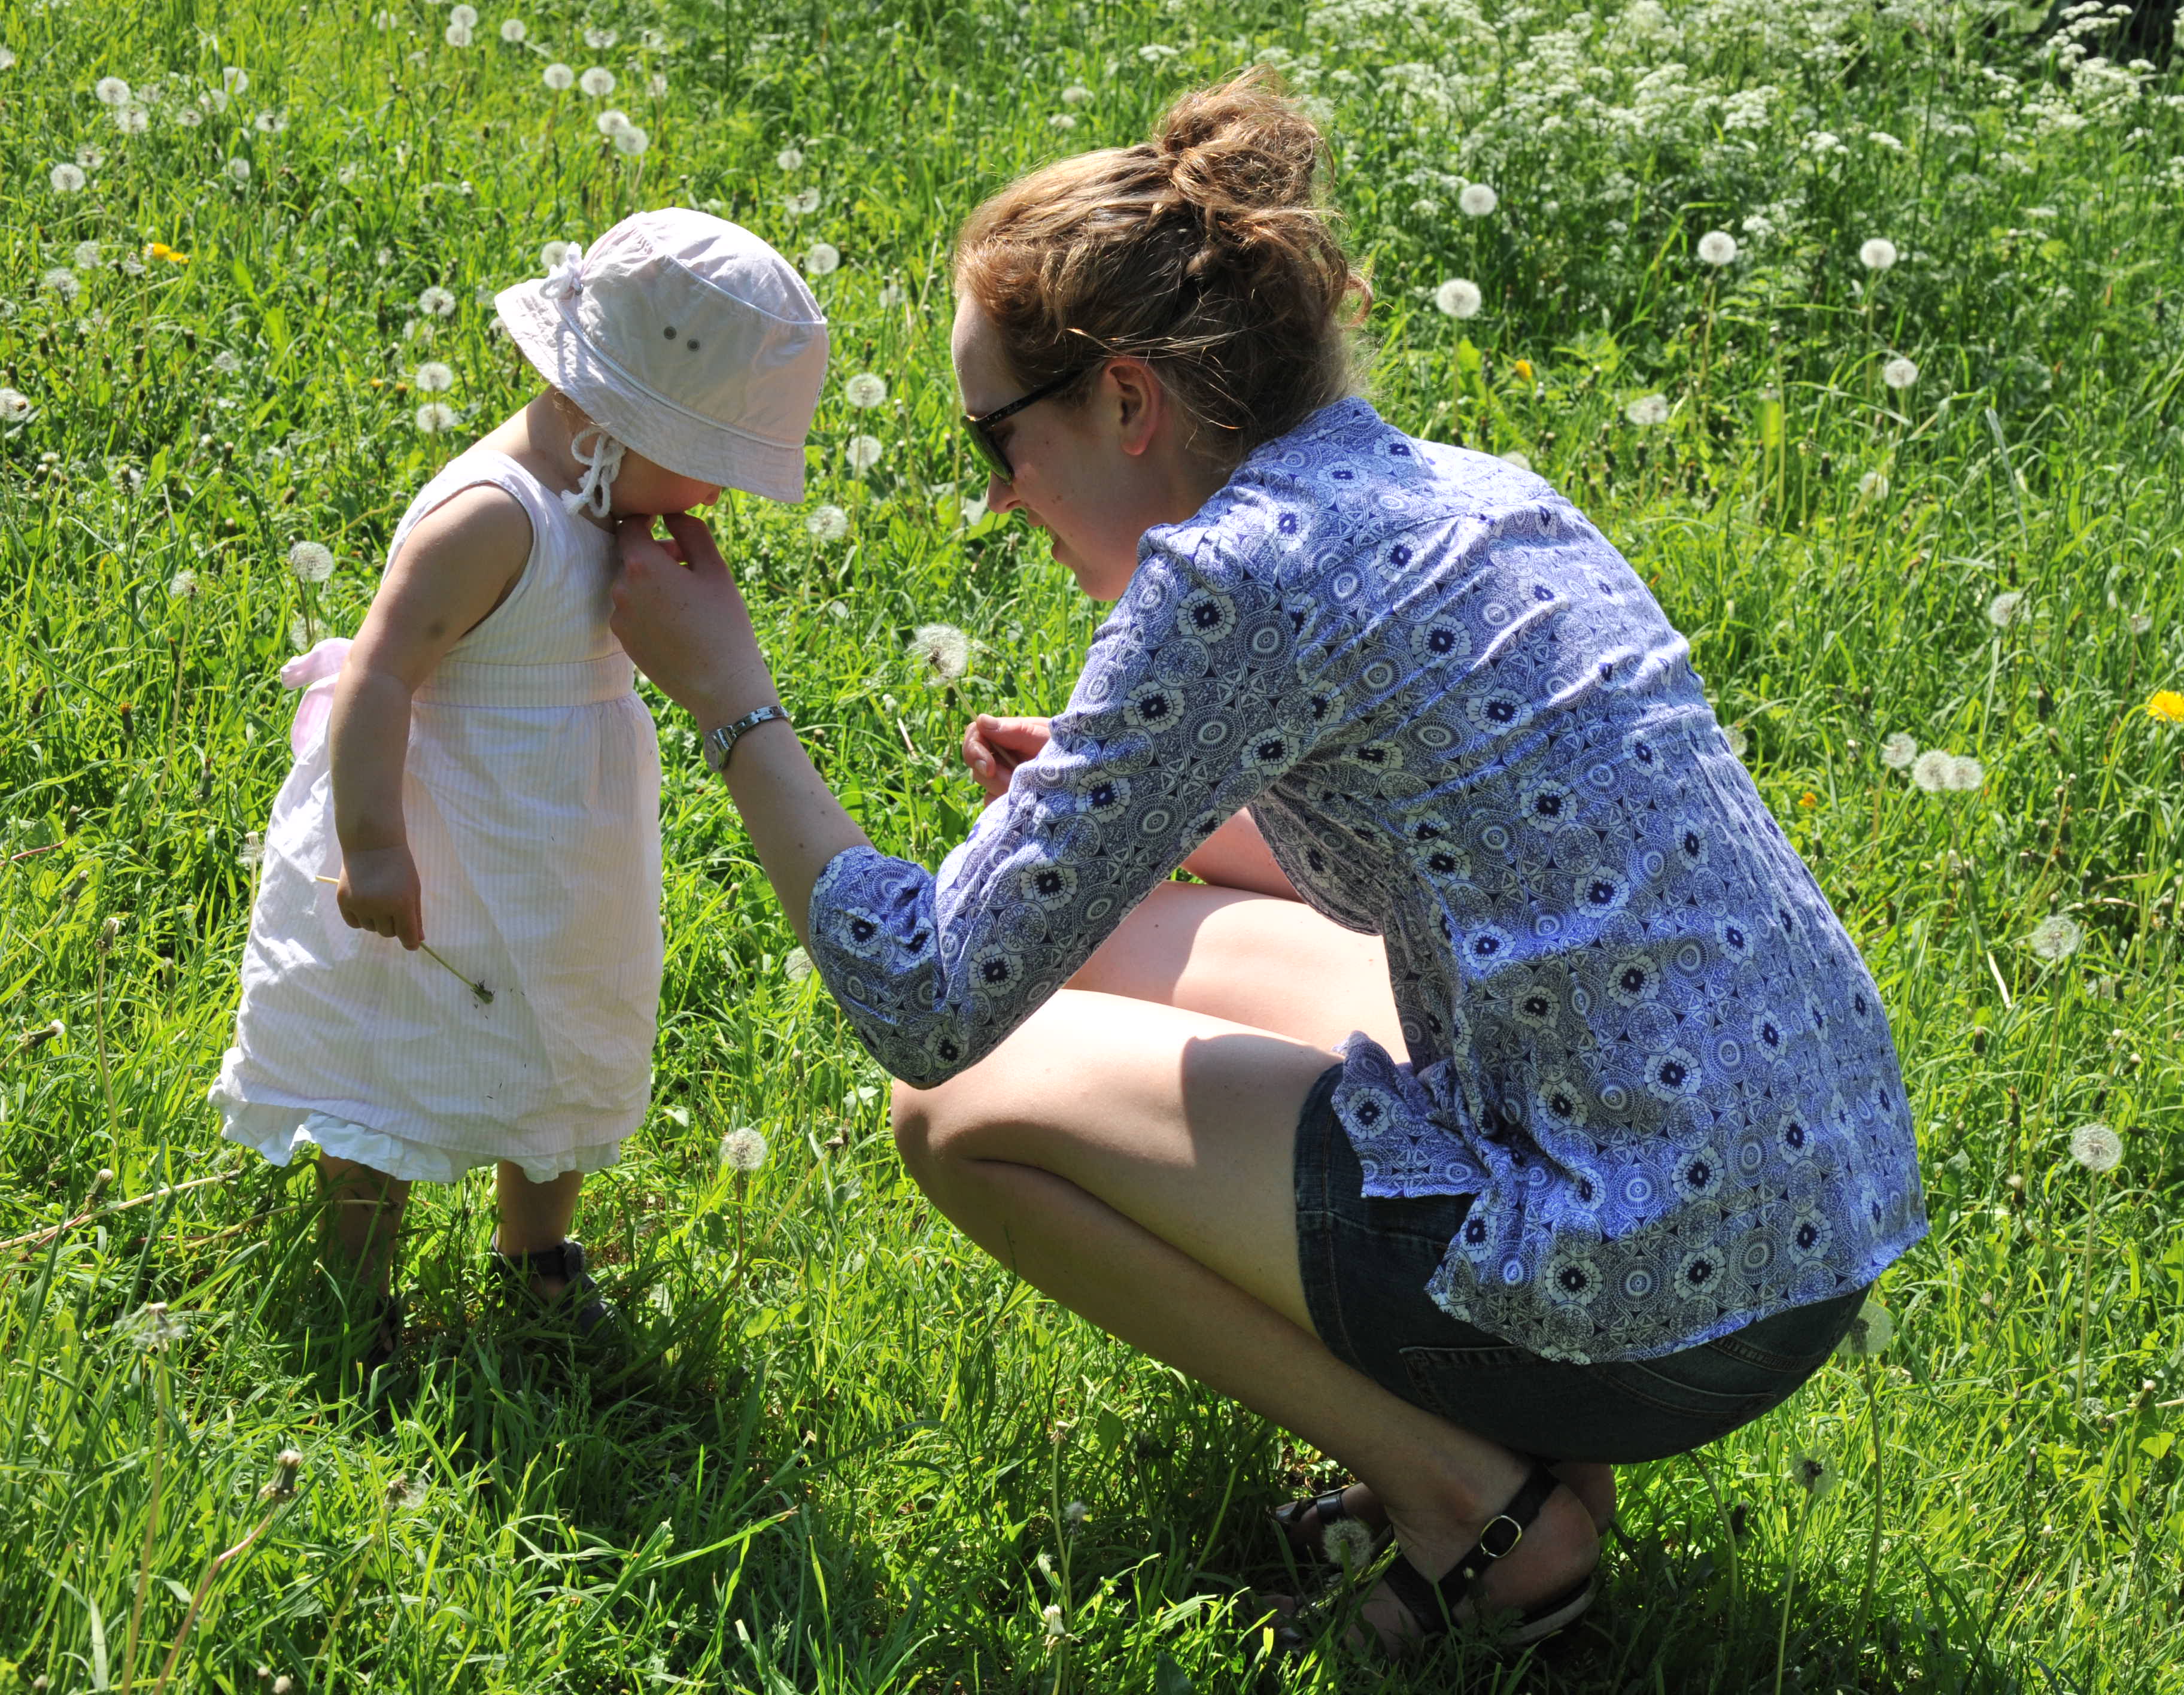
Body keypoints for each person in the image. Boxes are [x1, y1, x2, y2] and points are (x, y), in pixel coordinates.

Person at [607, 72, 1924, 1653]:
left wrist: (731, 700)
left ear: (1128, 402)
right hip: (1807, 1221)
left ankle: (1477, 1514)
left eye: (995, 442)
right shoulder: (1471, 495)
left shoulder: (1233, 577)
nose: (996, 501)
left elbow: (928, 1000)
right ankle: (1532, 1452)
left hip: (1656, 1299)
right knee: (1118, 937)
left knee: (957, 1113)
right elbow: (1393, 875)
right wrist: (1145, 799)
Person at [211, 209, 829, 1351]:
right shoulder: (494, 517)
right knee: (388, 1053)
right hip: (439, 847)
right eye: (709, 467)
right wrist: (374, 848)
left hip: (561, 856)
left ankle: (537, 1251)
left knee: (562, 1036)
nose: (715, 499)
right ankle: (357, 1283)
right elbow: (381, 677)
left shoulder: (609, 503)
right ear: (615, 416)